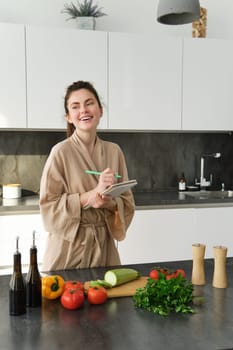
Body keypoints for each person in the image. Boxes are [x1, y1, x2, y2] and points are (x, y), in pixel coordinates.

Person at [39, 80, 135, 271]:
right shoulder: (60, 152)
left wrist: (109, 203)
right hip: (68, 249)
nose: (83, 110)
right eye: (75, 106)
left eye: (89, 103)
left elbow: (128, 203)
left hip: (105, 250)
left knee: (108, 300)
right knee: (65, 300)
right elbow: (48, 207)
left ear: (100, 110)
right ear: (68, 117)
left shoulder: (114, 151)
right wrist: (90, 196)